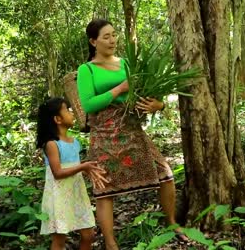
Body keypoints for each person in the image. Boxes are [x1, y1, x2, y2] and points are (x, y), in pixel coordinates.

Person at [77, 19, 188, 250]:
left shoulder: (126, 63)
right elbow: (88, 105)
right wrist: (119, 89)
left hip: (132, 130)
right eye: (106, 36)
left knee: (165, 174)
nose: (112, 40)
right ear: (93, 41)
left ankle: (171, 223)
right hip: (105, 134)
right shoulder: (86, 70)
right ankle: (110, 242)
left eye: (114, 35)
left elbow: (142, 94)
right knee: (104, 188)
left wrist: (158, 105)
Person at [36, 97, 108, 250]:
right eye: (67, 111)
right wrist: (83, 167)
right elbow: (58, 172)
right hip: (59, 196)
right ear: (57, 119)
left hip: (76, 193)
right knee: (59, 239)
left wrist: (89, 170)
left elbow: (75, 167)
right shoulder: (52, 144)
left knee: (88, 235)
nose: (72, 114)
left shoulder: (75, 142)